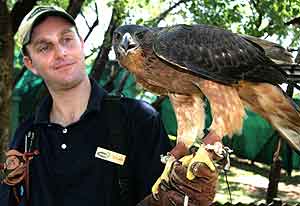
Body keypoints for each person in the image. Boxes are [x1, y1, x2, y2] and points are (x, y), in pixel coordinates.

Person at [0, 5, 172, 206]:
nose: (61, 52)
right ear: (30, 64)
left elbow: (164, 198)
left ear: (81, 44)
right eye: (44, 47)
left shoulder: (139, 119)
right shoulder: (26, 136)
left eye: (67, 39)